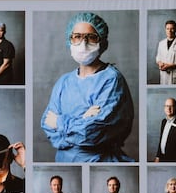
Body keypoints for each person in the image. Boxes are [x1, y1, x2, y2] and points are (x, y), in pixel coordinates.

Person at [41, 12, 134, 162]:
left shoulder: (111, 79)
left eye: (91, 37)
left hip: (98, 162)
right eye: (77, 36)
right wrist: (83, 119)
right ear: (69, 40)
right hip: (64, 162)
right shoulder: (64, 82)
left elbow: (92, 133)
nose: (83, 44)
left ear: (101, 41)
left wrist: (60, 122)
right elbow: (47, 125)